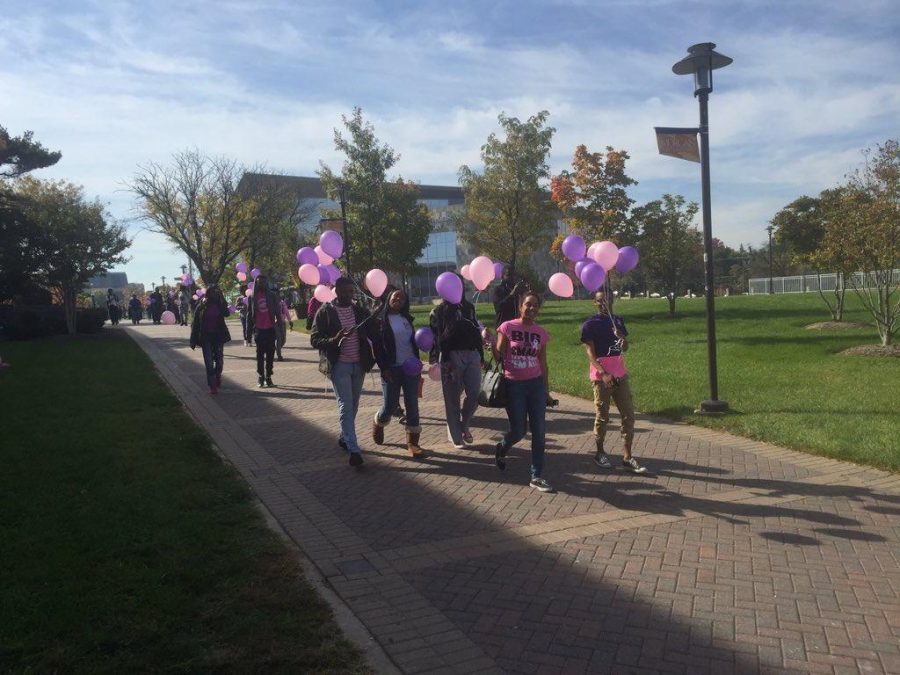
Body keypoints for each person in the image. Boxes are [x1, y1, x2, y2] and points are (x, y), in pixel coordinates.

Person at [310, 276, 376, 467]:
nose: (348, 295)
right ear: (336, 291)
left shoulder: (360, 311)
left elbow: (372, 331)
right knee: (345, 406)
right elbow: (314, 340)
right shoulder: (326, 312)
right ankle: (354, 450)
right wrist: (334, 339)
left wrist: (378, 318)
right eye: (345, 292)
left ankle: (344, 436)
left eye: (351, 292)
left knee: (353, 405)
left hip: (359, 364)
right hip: (339, 365)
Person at [493, 292, 554, 493]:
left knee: (539, 432)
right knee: (519, 431)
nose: (531, 308)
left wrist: (546, 390)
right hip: (514, 385)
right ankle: (502, 447)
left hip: (535, 385)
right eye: (528, 304)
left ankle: (536, 475)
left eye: (535, 305)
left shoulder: (540, 333)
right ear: (520, 306)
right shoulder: (508, 327)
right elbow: (498, 354)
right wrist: (489, 342)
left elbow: (543, 363)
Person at [581, 291, 645, 473]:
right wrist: (603, 373)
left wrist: (621, 337)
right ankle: (600, 453)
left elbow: (625, 347)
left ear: (612, 300)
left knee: (628, 415)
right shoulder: (590, 324)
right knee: (603, 416)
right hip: (602, 376)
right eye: (600, 301)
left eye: (607, 300)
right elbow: (590, 354)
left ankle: (627, 456)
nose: (604, 304)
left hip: (620, 374)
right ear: (595, 302)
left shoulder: (618, 321)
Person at [429, 279, 484, 449]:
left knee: (475, 394)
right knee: (452, 398)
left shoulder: (469, 308)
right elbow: (437, 338)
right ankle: (456, 436)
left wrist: (481, 354)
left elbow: (476, 331)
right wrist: (440, 359)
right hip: (451, 357)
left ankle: (463, 425)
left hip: (472, 354)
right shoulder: (438, 311)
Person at [371, 288, 425, 457]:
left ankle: (412, 443)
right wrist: (384, 368)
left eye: (402, 299)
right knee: (390, 405)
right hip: (392, 368)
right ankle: (379, 421)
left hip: (410, 367)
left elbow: (413, 343)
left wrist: (417, 362)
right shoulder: (381, 320)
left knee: (412, 405)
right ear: (389, 299)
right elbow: (378, 348)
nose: (399, 300)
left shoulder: (406, 319)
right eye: (396, 297)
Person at [189, 285, 231, 395]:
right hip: (206, 336)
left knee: (219, 360)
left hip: (218, 335)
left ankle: (217, 375)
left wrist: (222, 299)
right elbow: (196, 324)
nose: (215, 294)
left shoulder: (220, 304)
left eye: (217, 292)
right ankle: (212, 385)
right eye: (213, 292)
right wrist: (193, 340)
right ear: (208, 293)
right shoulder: (201, 305)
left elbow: (227, 313)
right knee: (208, 361)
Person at [248, 275, 281, 388]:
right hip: (259, 329)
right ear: (256, 283)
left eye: (263, 282)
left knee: (270, 354)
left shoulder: (272, 295)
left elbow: (277, 311)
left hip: (270, 328)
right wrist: (248, 334)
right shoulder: (252, 297)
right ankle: (261, 376)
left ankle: (269, 377)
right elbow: (249, 315)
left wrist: (280, 326)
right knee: (260, 354)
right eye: (259, 282)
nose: (261, 284)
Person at [275, 291, 292, 361]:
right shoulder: (272, 303)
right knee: (278, 339)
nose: (278, 296)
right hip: (275, 323)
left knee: (283, 340)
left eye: (278, 294)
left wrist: (290, 320)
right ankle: (279, 355)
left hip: (283, 322)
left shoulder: (282, 303)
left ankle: (276, 348)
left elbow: (287, 312)